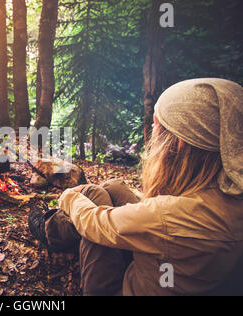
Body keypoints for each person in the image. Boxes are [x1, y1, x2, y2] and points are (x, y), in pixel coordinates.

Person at [28, 78, 243, 296]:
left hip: (125, 288)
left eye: (156, 126)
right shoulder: (227, 200)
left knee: (92, 194)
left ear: (177, 144)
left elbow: (96, 222)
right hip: (166, 270)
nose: (151, 133)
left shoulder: (168, 215)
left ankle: (48, 229)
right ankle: (56, 227)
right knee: (113, 186)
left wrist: (68, 197)